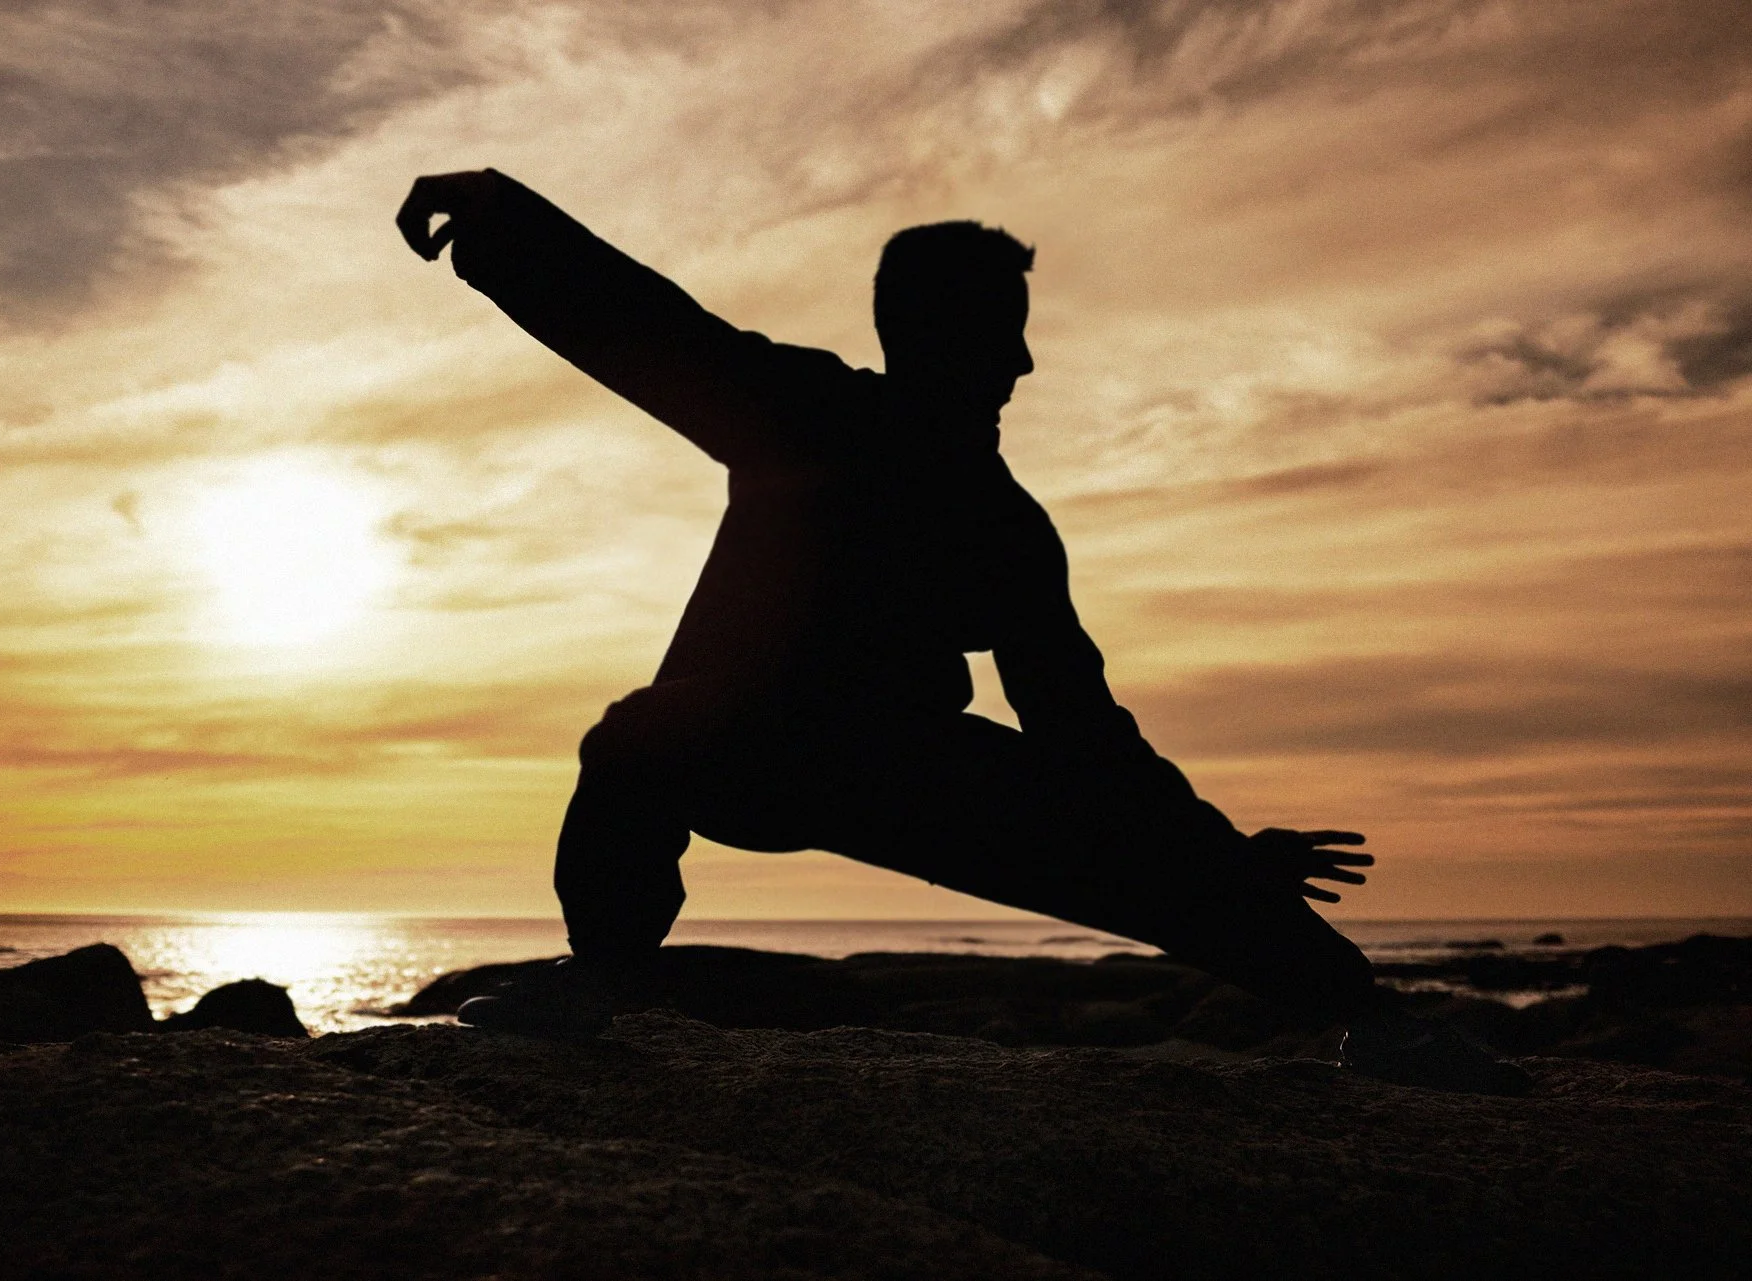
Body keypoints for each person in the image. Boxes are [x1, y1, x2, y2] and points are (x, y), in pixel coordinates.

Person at [396, 170, 1528, 1093]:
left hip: (900, 768)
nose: (1024, 366)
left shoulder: (1005, 526)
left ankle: (1376, 1024)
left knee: (1129, 848)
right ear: (930, 337)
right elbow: (647, 328)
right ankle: (596, 979)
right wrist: (502, 219)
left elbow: (1084, 734)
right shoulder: (807, 413)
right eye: (1002, 338)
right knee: (639, 734)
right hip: (746, 753)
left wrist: (1222, 858)